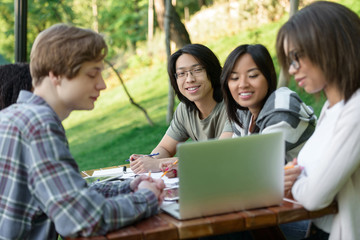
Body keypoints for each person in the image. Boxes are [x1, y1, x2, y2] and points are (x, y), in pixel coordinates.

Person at [0, 23, 165, 239]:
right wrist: (147, 197)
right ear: (56, 75)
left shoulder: (13, 117)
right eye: (92, 74)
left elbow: (66, 194)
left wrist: (128, 186)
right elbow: (83, 219)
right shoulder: (38, 124)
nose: (103, 85)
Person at [276, 1, 360, 239]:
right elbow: (305, 172)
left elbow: (315, 196)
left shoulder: (356, 111)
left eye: (297, 57)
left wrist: (293, 183)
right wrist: (295, 178)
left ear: (329, 46)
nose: (292, 70)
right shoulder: (331, 107)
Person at [130, 44, 232, 174]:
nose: (189, 79)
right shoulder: (185, 109)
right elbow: (165, 147)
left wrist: (159, 164)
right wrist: (147, 161)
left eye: (197, 70)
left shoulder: (233, 105)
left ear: (212, 71)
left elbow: (219, 155)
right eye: (182, 73)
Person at [220, 44, 316, 164]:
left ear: (268, 76)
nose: (243, 84)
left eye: (252, 76)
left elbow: (254, 166)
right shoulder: (243, 114)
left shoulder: (282, 107)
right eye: (234, 78)